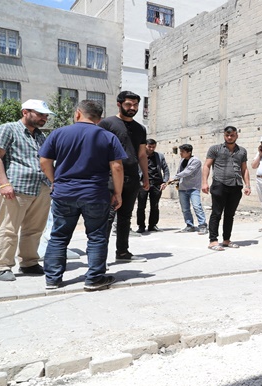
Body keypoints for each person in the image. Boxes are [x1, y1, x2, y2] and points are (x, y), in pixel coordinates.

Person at [39, 100, 126, 290]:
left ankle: (52, 279)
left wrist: (55, 181)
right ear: (99, 118)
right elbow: (117, 167)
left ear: (78, 113)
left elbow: (44, 160)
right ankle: (94, 279)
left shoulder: (58, 133)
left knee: (59, 236)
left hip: (64, 194)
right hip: (95, 194)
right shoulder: (108, 136)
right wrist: (118, 193)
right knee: (96, 236)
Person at [0, 99, 53, 282]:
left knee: (35, 228)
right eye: (40, 114)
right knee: (8, 228)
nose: (44, 118)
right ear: (25, 112)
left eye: (46, 115)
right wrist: (4, 183)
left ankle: (29, 262)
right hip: (16, 187)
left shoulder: (40, 135)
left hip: (41, 187)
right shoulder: (8, 128)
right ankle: (2, 265)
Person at [98, 91, 150, 262]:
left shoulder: (140, 128)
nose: (132, 108)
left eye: (135, 105)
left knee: (126, 217)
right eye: (128, 104)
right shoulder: (106, 124)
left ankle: (122, 252)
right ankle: (99, 258)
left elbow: (142, 155)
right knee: (107, 217)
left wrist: (146, 177)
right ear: (119, 104)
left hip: (132, 177)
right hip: (110, 177)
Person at [202, 126, 251, 251]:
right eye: (227, 135)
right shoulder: (215, 149)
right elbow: (207, 165)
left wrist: (247, 185)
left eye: (232, 135)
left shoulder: (242, 151)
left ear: (236, 135)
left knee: (230, 215)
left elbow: (244, 169)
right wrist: (204, 183)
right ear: (224, 136)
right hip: (220, 184)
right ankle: (213, 241)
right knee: (216, 213)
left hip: (236, 185)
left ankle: (226, 240)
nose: (229, 137)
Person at [170, 144, 207, 234]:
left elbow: (188, 172)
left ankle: (203, 226)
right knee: (185, 208)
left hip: (193, 188)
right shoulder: (182, 160)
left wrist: (175, 177)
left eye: (182, 152)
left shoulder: (196, 161)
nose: (180, 153)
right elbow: (180, 171)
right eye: (180, 151)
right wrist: (175, 180)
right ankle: (189, 225)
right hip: (183, 188)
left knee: (197, 206)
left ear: (189, 152)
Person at [136, 139, 169, 233]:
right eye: (149, 147)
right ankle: (141, 226)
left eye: (153, 147)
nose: (151, 149)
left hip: (156, 183)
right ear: (145, 146)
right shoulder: (140, 155)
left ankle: (152, 225)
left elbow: (165, 169)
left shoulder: (159, 156)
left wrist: (165, 181)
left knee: (155, 206)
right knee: (141, 206)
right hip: (142, 184)